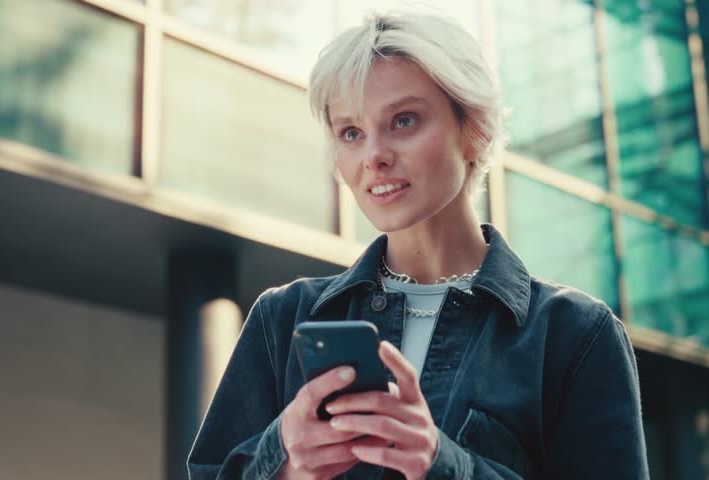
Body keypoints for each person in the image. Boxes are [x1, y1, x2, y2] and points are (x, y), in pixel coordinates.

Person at [188, 9, 648, 480]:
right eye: (351, 133)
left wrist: (444, 466)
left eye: (404, 120)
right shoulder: (283, 318)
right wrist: (285, 463)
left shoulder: (574, 334)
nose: (374, 156)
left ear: (476, 130)